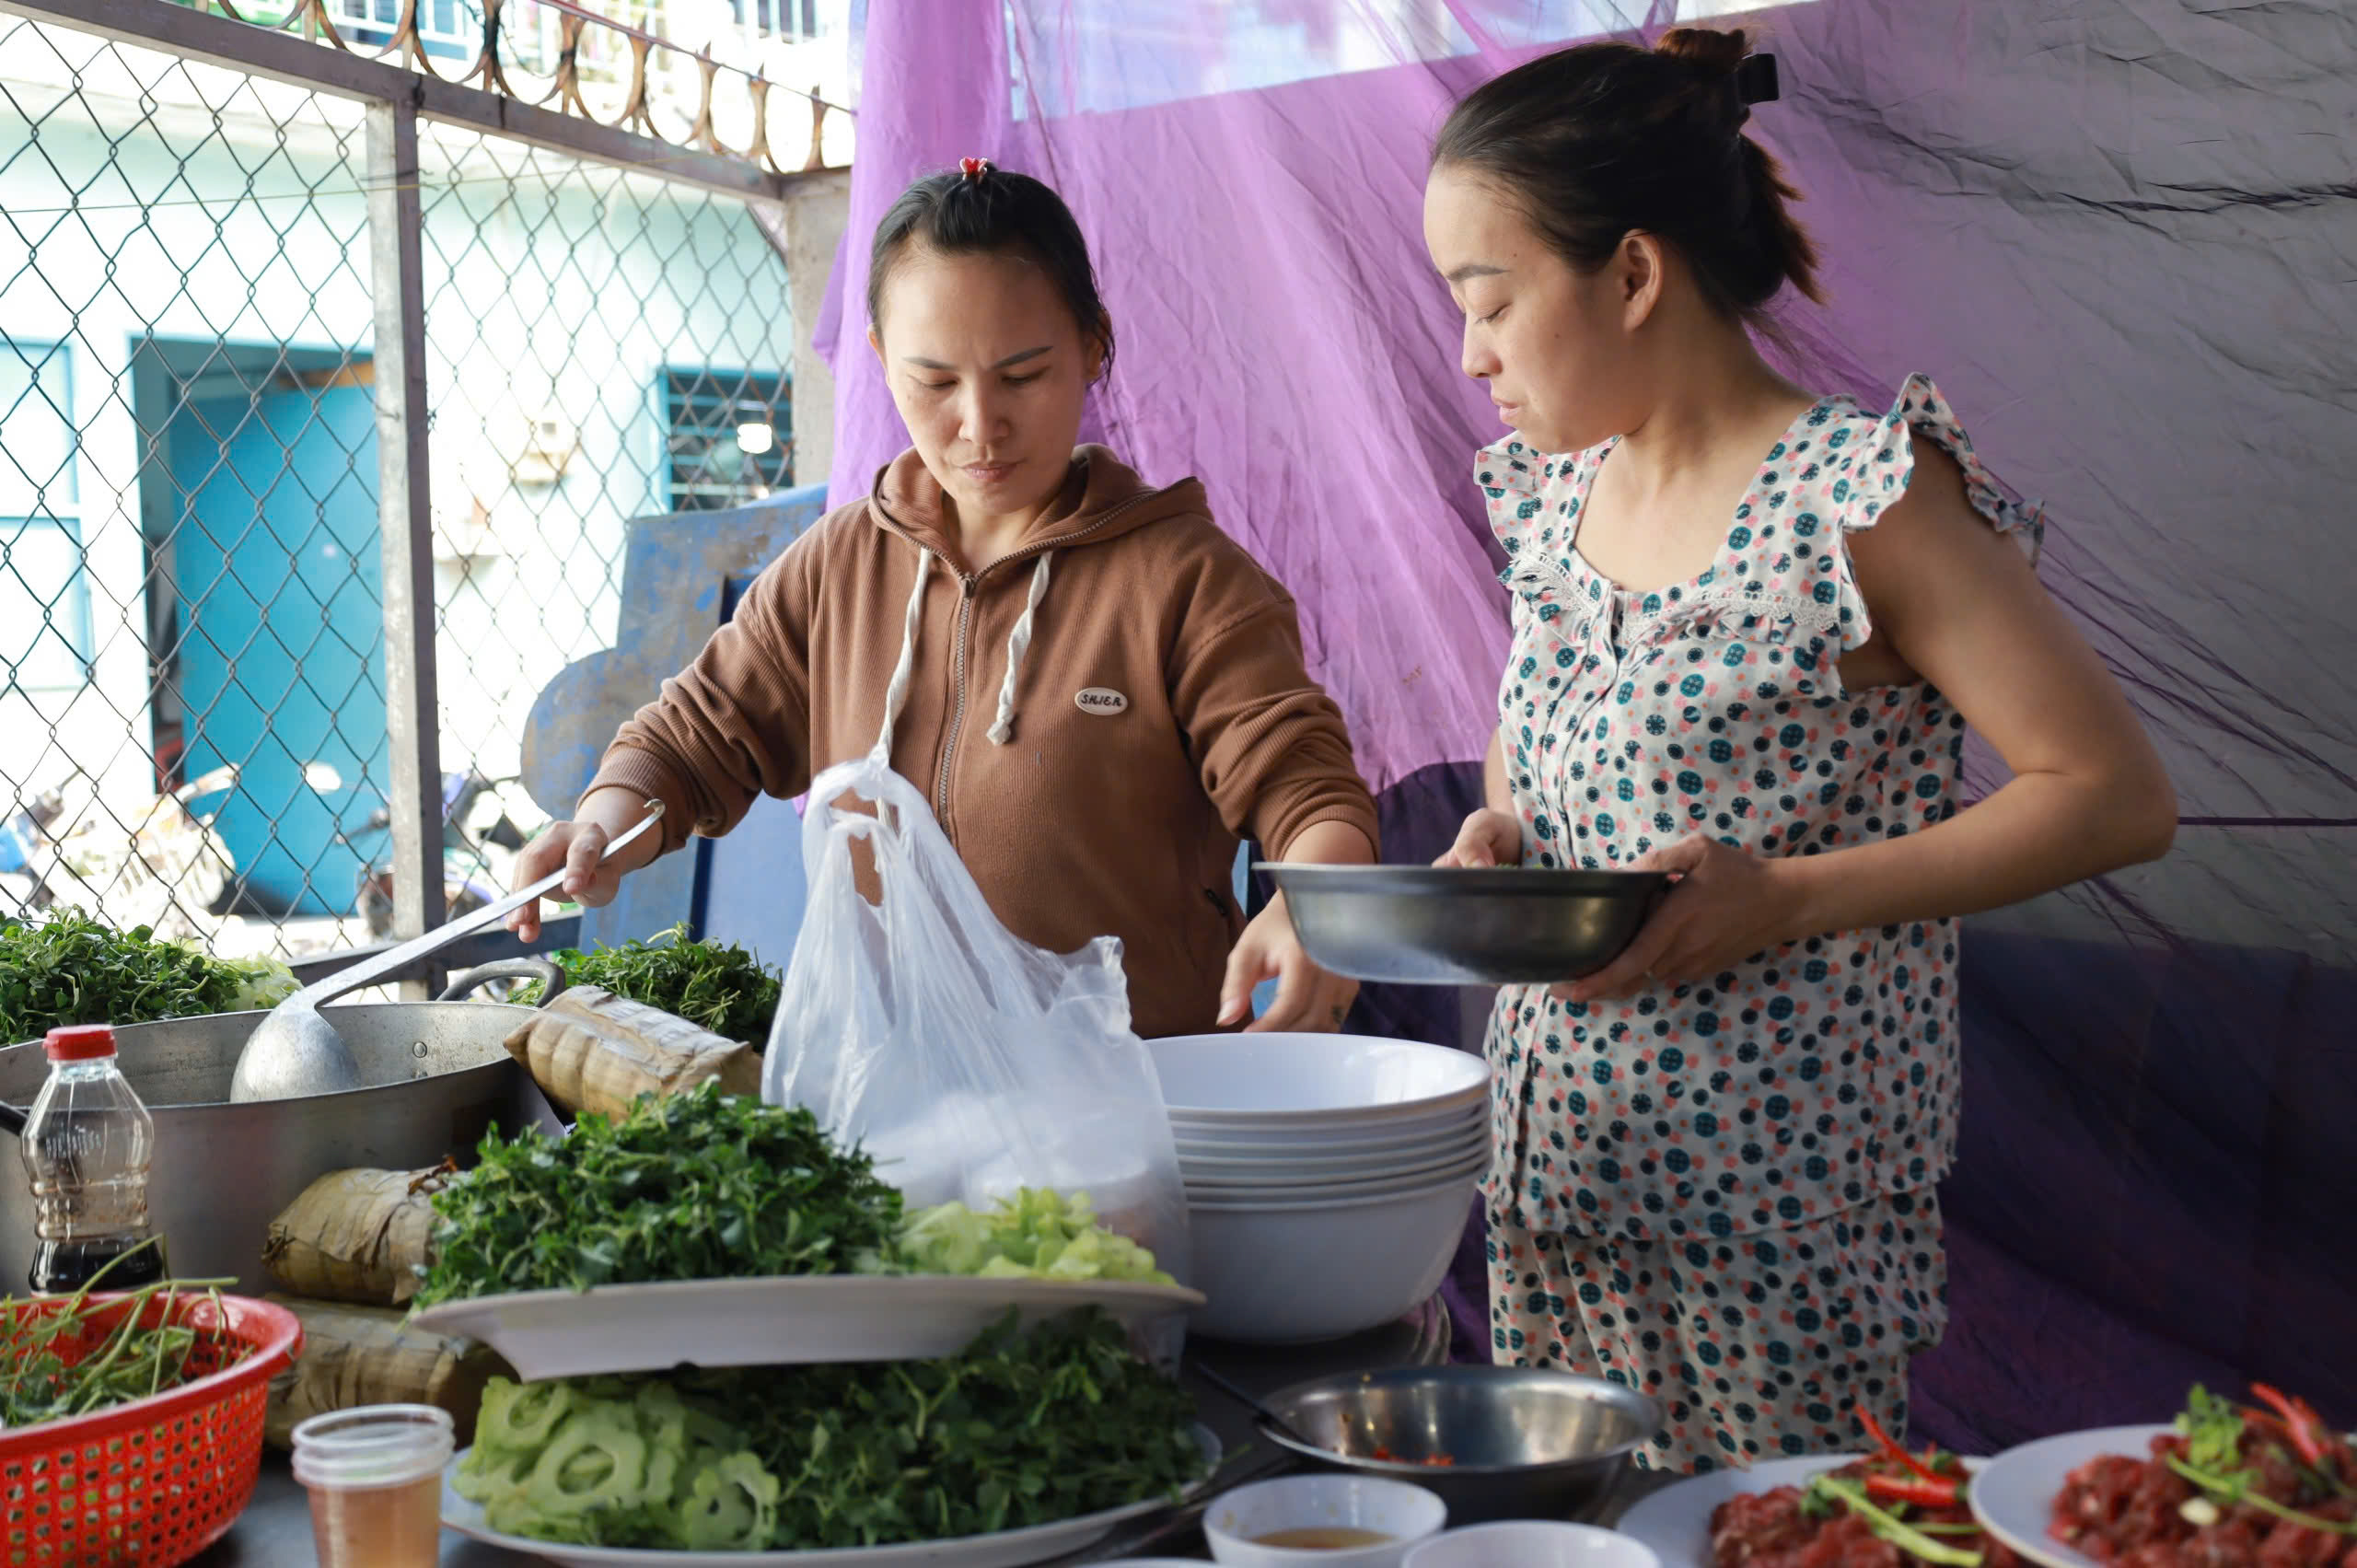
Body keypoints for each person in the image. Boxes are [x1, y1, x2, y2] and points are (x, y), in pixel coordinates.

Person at [1423, 29, 2176, 1469]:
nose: (1471, 354)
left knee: (1778, 1534)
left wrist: (1789, 896)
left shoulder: (1859, 496)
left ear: (1634, 274)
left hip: (1775, 1208)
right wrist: (1501, 836)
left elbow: (2116, 796)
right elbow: (1535, 746)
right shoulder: (1552, 498)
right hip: (1560, 1174)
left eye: (1492, 300)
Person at [510, 159, 1379, 1039]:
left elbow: (1306, 784)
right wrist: (603, 826)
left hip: (1133, 1103)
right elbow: (692, 736)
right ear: (882, 360)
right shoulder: (840, 566)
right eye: (935, 382)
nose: (979, 424)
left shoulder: (1184, 580)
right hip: (892, 1101)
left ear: (1093, 346)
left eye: (1024, 374)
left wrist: (1322, 905)